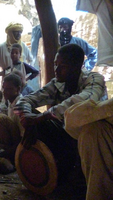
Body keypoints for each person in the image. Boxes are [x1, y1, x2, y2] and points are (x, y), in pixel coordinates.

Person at [13, 44, 106, 182]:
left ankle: (77, 171)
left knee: (45, 121)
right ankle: (56, 167)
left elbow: (84, 101)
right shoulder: (57, 83)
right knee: (32, 119)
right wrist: (29, 118)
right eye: (55, 65)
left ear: (77, 66)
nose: (56, 70)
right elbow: (26, 100)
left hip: (93, 138)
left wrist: (42, 117)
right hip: (67, 137)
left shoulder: (93, 79)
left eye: (62, 66)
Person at [64, 98, 113, 200]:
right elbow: (71, 118)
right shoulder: (57, 86)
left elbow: (71, 117)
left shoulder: (93, 84)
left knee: (93, 132)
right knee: (93, 131)